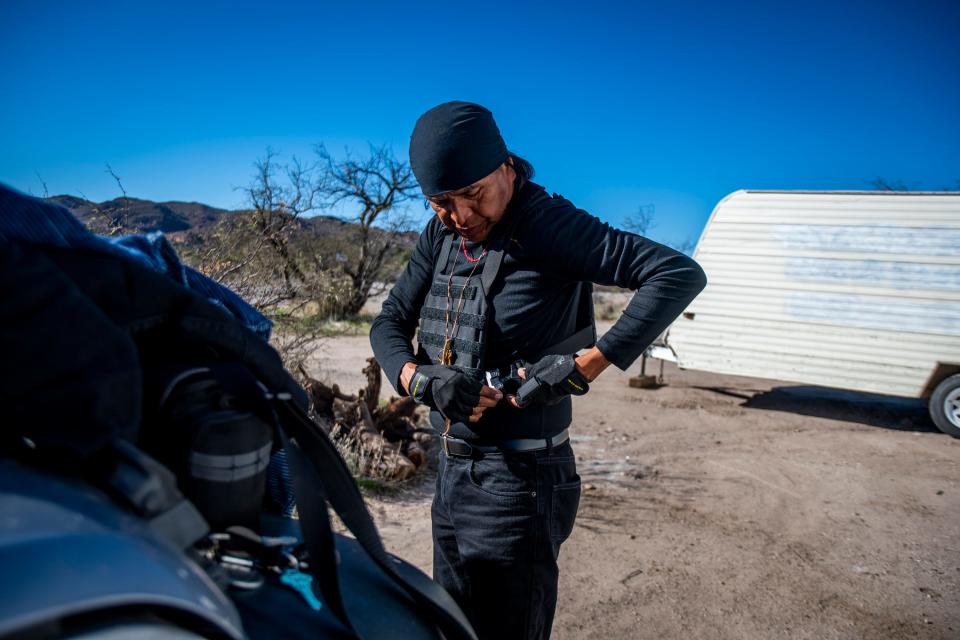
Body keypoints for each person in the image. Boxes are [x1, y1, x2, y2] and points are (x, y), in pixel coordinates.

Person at [370, 101, 706, 639]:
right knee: (450, 629)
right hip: (451, 472)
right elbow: (388, 322)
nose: (461, 216)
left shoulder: (546, 223)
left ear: (505, 166)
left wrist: (583, 368)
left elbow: (675, 273)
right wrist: (418, 379)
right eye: (441, 202)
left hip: (518, 485)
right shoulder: (440, 237)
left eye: (474, 194)